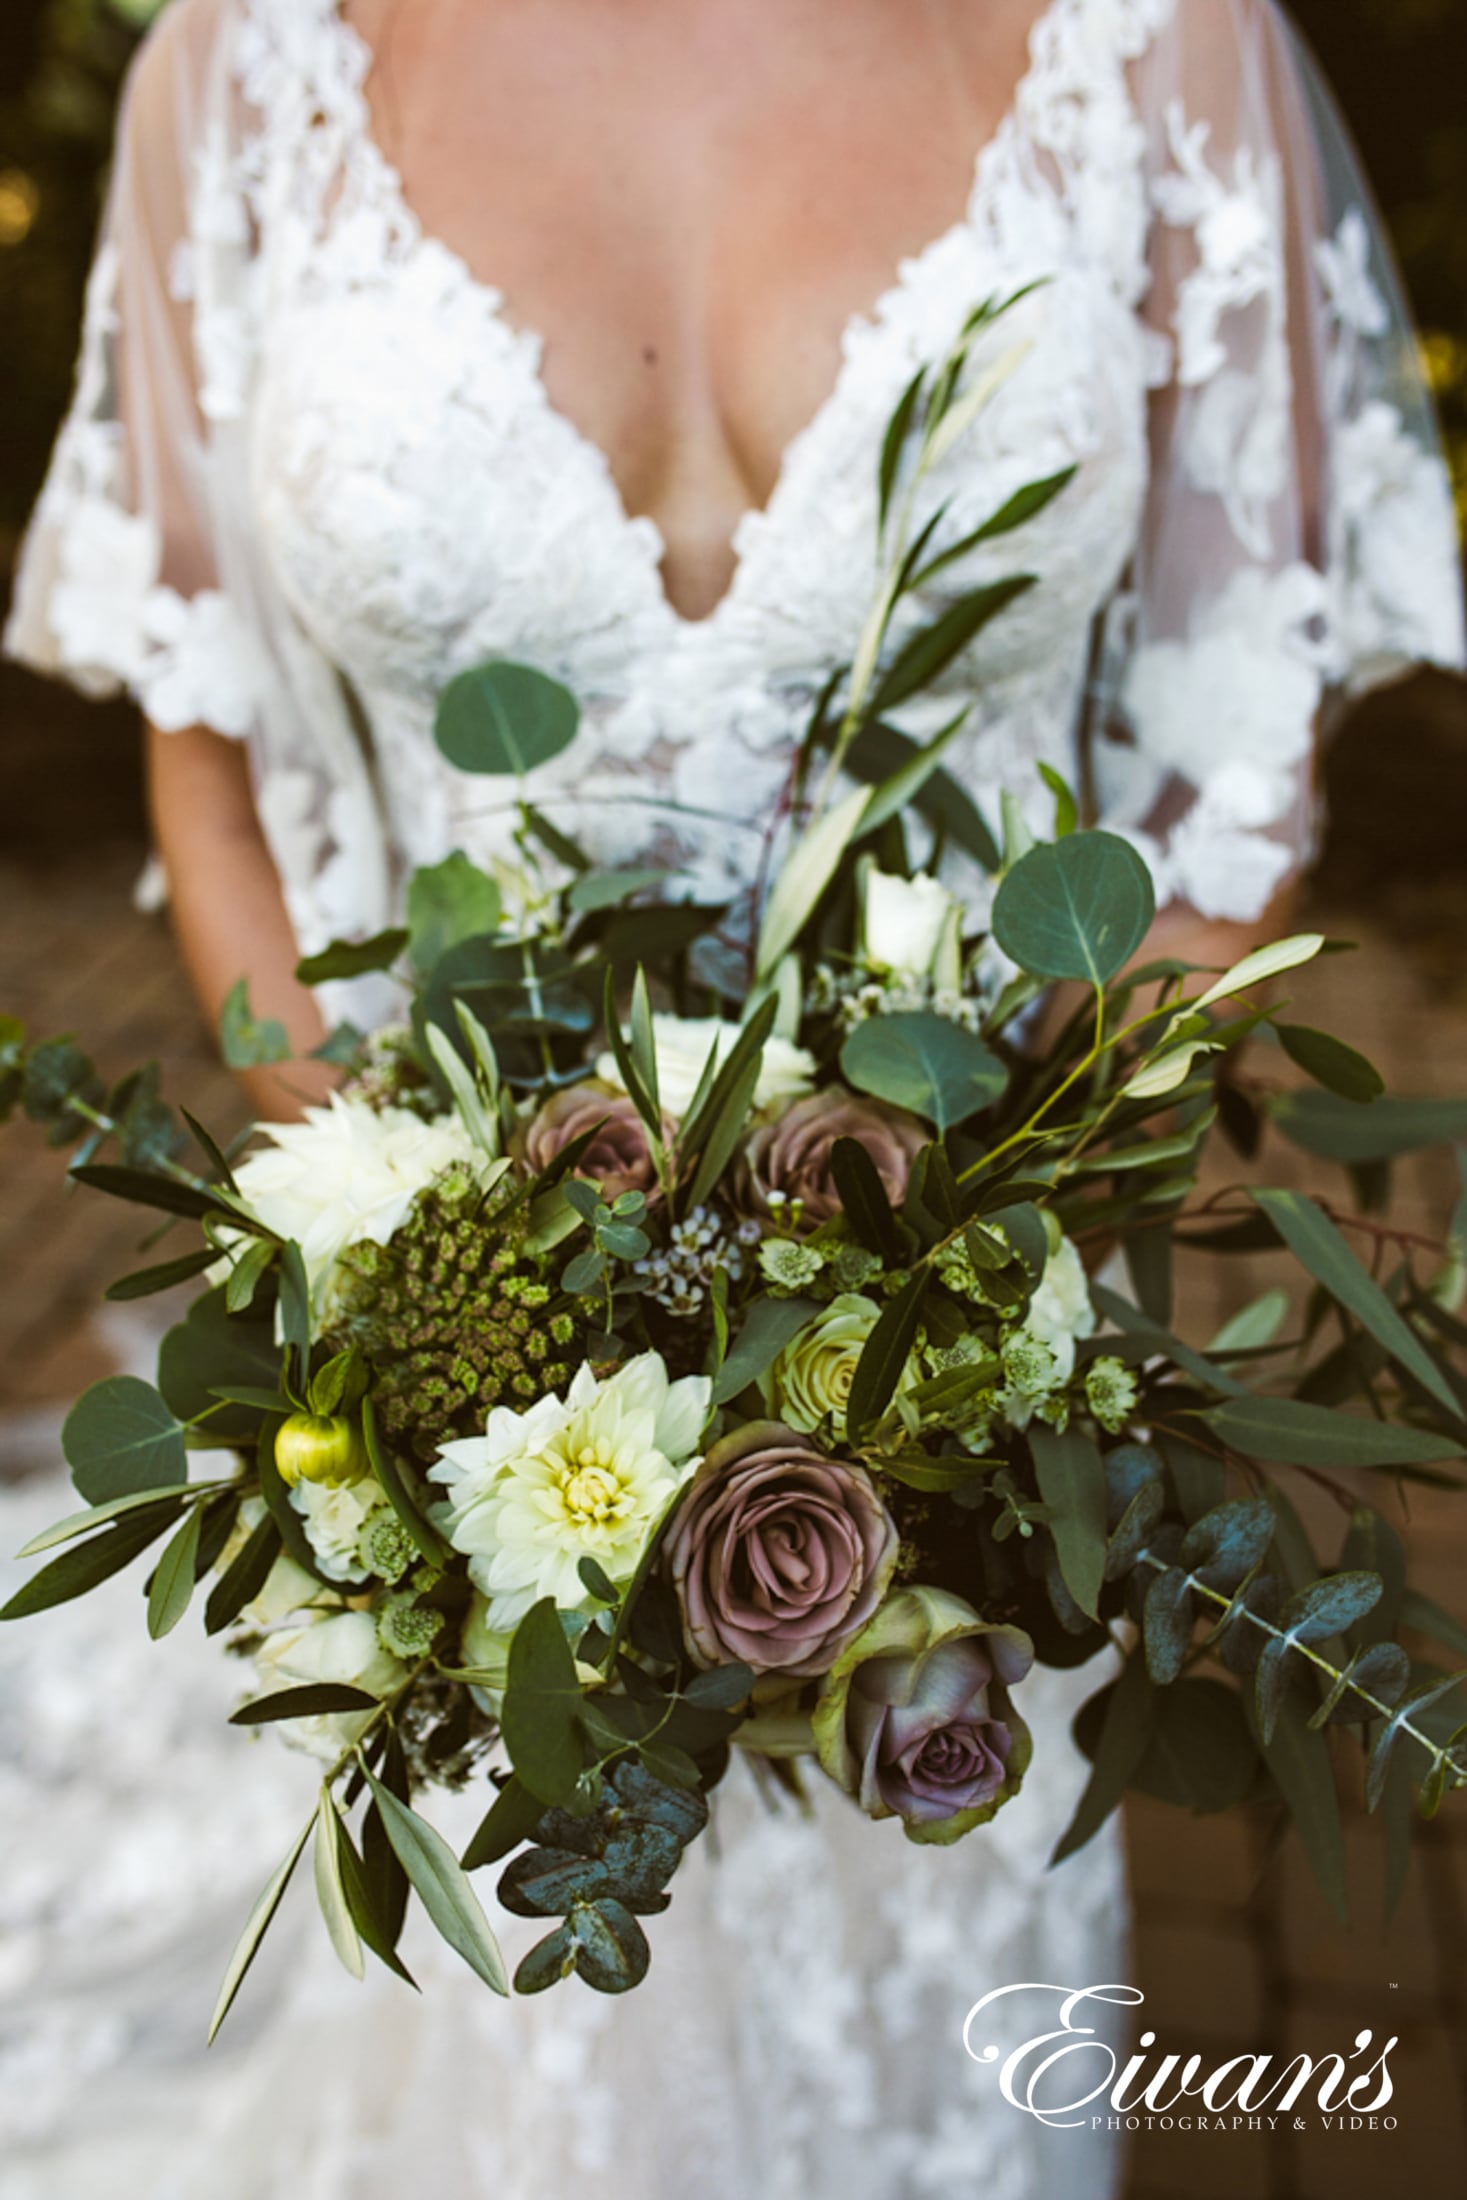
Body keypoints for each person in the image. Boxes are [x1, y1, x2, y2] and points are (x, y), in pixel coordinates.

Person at [2, 2, 1461, 2194]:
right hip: (453, 1395)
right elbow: (207, 764)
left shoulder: (1154, 46)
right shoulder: (248, 60)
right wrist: (415, 1277)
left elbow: (1229, 756)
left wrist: (935, 1332)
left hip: (952, 1416)